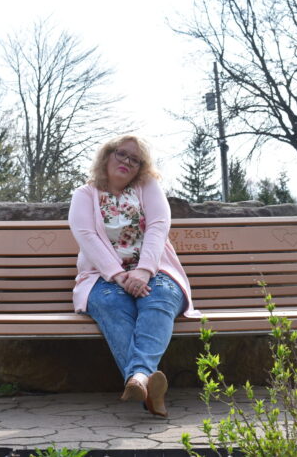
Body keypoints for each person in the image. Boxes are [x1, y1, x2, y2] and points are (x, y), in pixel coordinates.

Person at [68, 134, 198, 418]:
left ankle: (138, 378)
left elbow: (158, 226)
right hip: (102, 278)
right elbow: (87, 237)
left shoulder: (147, 187)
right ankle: (147, 385)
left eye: (135, 159)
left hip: (155, 270)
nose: (127, 161)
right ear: (107, 156)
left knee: (160, 297)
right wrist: (118, 275)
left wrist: (144, 270)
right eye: (121, 154)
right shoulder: (84, 195)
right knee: (114, 305)